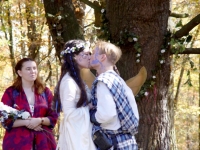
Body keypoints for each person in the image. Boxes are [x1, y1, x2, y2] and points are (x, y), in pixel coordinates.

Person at [89, 41, 139, 150]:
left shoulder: (103, 81)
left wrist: (91, 114)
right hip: (127, 142)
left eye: (93, 53)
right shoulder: (118, 80)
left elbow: (107, 114)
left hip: (115, 143)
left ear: (102, 57)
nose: (90, 56)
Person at [1, 58, 58, 150]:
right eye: (28, 69)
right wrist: (28, 122)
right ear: (20, 72)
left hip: (44, 142)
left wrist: (39, 120)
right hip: (17, 143)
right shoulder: (11, 92)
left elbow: (54, 117)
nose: (33, 71)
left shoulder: (45, 92)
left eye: (34, 68)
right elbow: (4, 119)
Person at [54, 39, 97, 150]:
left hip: (81, 133)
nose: (90, 57)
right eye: (87, 54)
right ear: (75, 57)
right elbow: (70, 113)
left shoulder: (77, 79)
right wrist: (88, 108)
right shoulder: (68, 81)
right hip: (75, 136)